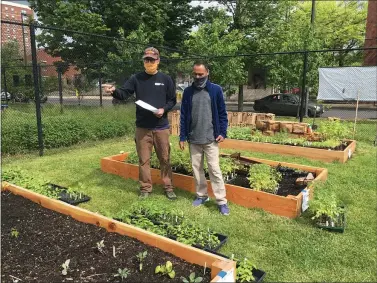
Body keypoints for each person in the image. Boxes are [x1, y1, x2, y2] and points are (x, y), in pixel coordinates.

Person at [103, 47, 177, 200]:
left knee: (165, 159)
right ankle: (145, 188)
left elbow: (172, 100)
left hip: (161, 127)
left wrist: (164, 109)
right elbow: (124, 93)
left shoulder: (166, 79)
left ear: (158, 61)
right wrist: (114, 91)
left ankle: (168, 187)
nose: (149, 62)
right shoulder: (136, 78)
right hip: (142, 128)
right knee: (144, 160)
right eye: (146, 60)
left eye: (152, 60)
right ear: (144, 61)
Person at [179, 61, 230, 215]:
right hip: (194, 139)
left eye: (201, 74)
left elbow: (222, 113)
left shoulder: (215, 90)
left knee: (214, 170)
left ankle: (221, 201)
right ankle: (202, 196)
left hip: (211, 139)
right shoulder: (188, 92)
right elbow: (183, 116)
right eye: (195, 74)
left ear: (207, 72)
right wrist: (182, 136)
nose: (198, 76)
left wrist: (222, 132)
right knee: (196, 170)